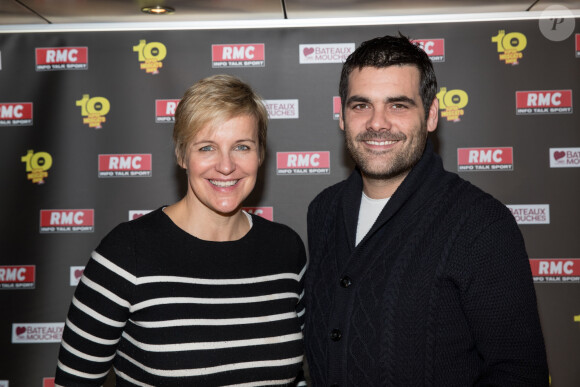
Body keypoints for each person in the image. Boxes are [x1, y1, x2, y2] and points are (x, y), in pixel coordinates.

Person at [304, 34, 548, 386]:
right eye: (361, 105)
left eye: (398, 105)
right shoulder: (323, 210)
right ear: (342, 116)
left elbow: (519, 373)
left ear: (431, 115)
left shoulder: (481, 224)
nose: (377, 123)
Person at [55, 74, 307, 386]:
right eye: (206, 148)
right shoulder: (126, 253)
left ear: (261, 154)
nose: (226, 166)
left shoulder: (286, 249)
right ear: (181, 155)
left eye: (242, 146)